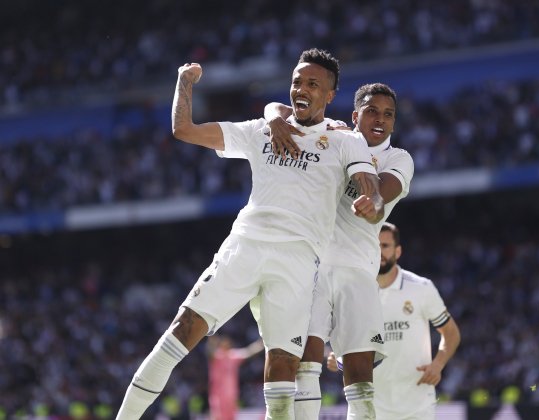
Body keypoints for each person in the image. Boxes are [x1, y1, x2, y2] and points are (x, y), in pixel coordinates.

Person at [115, 48, 385, 420]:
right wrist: (184, 83)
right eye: (296, 82)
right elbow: (184, 129)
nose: (301, 89)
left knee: (282, 370)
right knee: (183, 328)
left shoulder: (343, 140)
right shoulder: (261, 129)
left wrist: (371, 201)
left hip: (298, 262)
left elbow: (367, 183)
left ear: (329, 95)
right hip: (245, 247)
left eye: (312, 84)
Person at [264, 82, 414, 419]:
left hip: (358, 271)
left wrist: (373, 201)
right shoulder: (333, 137)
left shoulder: (399, 158)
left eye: (388, 114)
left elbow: (384, 192)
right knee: (306, 362)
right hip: (312, 267)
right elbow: (279, 107)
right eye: (372, 111)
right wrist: (274, 118)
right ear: (354, 115)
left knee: (360, 374)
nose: (381, 119)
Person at [328, 222, 461, 420]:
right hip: (369, 408)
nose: (379, 251)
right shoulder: (352, 291)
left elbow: (451, 333)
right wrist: (338, 359)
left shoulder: (421, 288)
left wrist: (438, 364)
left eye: (385, 246)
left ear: (397, 251)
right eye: (375, 245)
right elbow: (346, 343)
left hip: (416, 407)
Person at [206, 335, 264, 420]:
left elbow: (249, 352)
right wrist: (212, 341)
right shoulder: (217, 357)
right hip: (218, 395)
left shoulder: (233, 355)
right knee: (217, 417)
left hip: (232, 395)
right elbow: (210, 352)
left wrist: (261, 343)